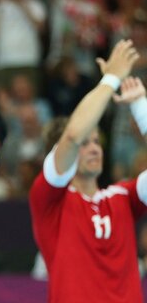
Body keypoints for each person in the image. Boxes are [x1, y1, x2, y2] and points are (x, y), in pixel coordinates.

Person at [29, 39, 146, 302]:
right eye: (86, 143)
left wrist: (140, 107)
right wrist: (111, 79)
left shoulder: (123, 197)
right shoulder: (49, 201)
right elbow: (71, 136)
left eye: (97, 142)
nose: (94, 148)